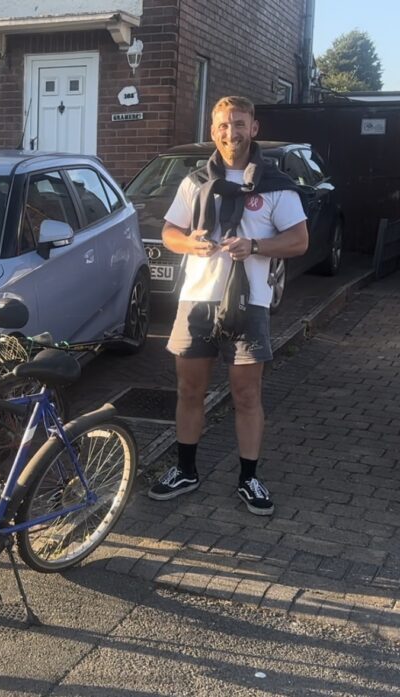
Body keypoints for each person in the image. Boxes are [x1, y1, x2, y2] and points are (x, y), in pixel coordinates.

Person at [148, 96, 309, 516]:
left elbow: (299, 240)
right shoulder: (194, 181)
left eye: (239, 124)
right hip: (197, 300)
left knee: (246, 395)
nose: (230, 132)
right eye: (223, 125)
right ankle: (185, 470)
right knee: (189, 390)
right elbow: (169, 232)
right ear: (212, 130)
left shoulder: (276, 184)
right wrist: (191, 244)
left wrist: (254, 245)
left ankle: (249, 477)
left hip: (249, 302)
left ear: (253, 128)